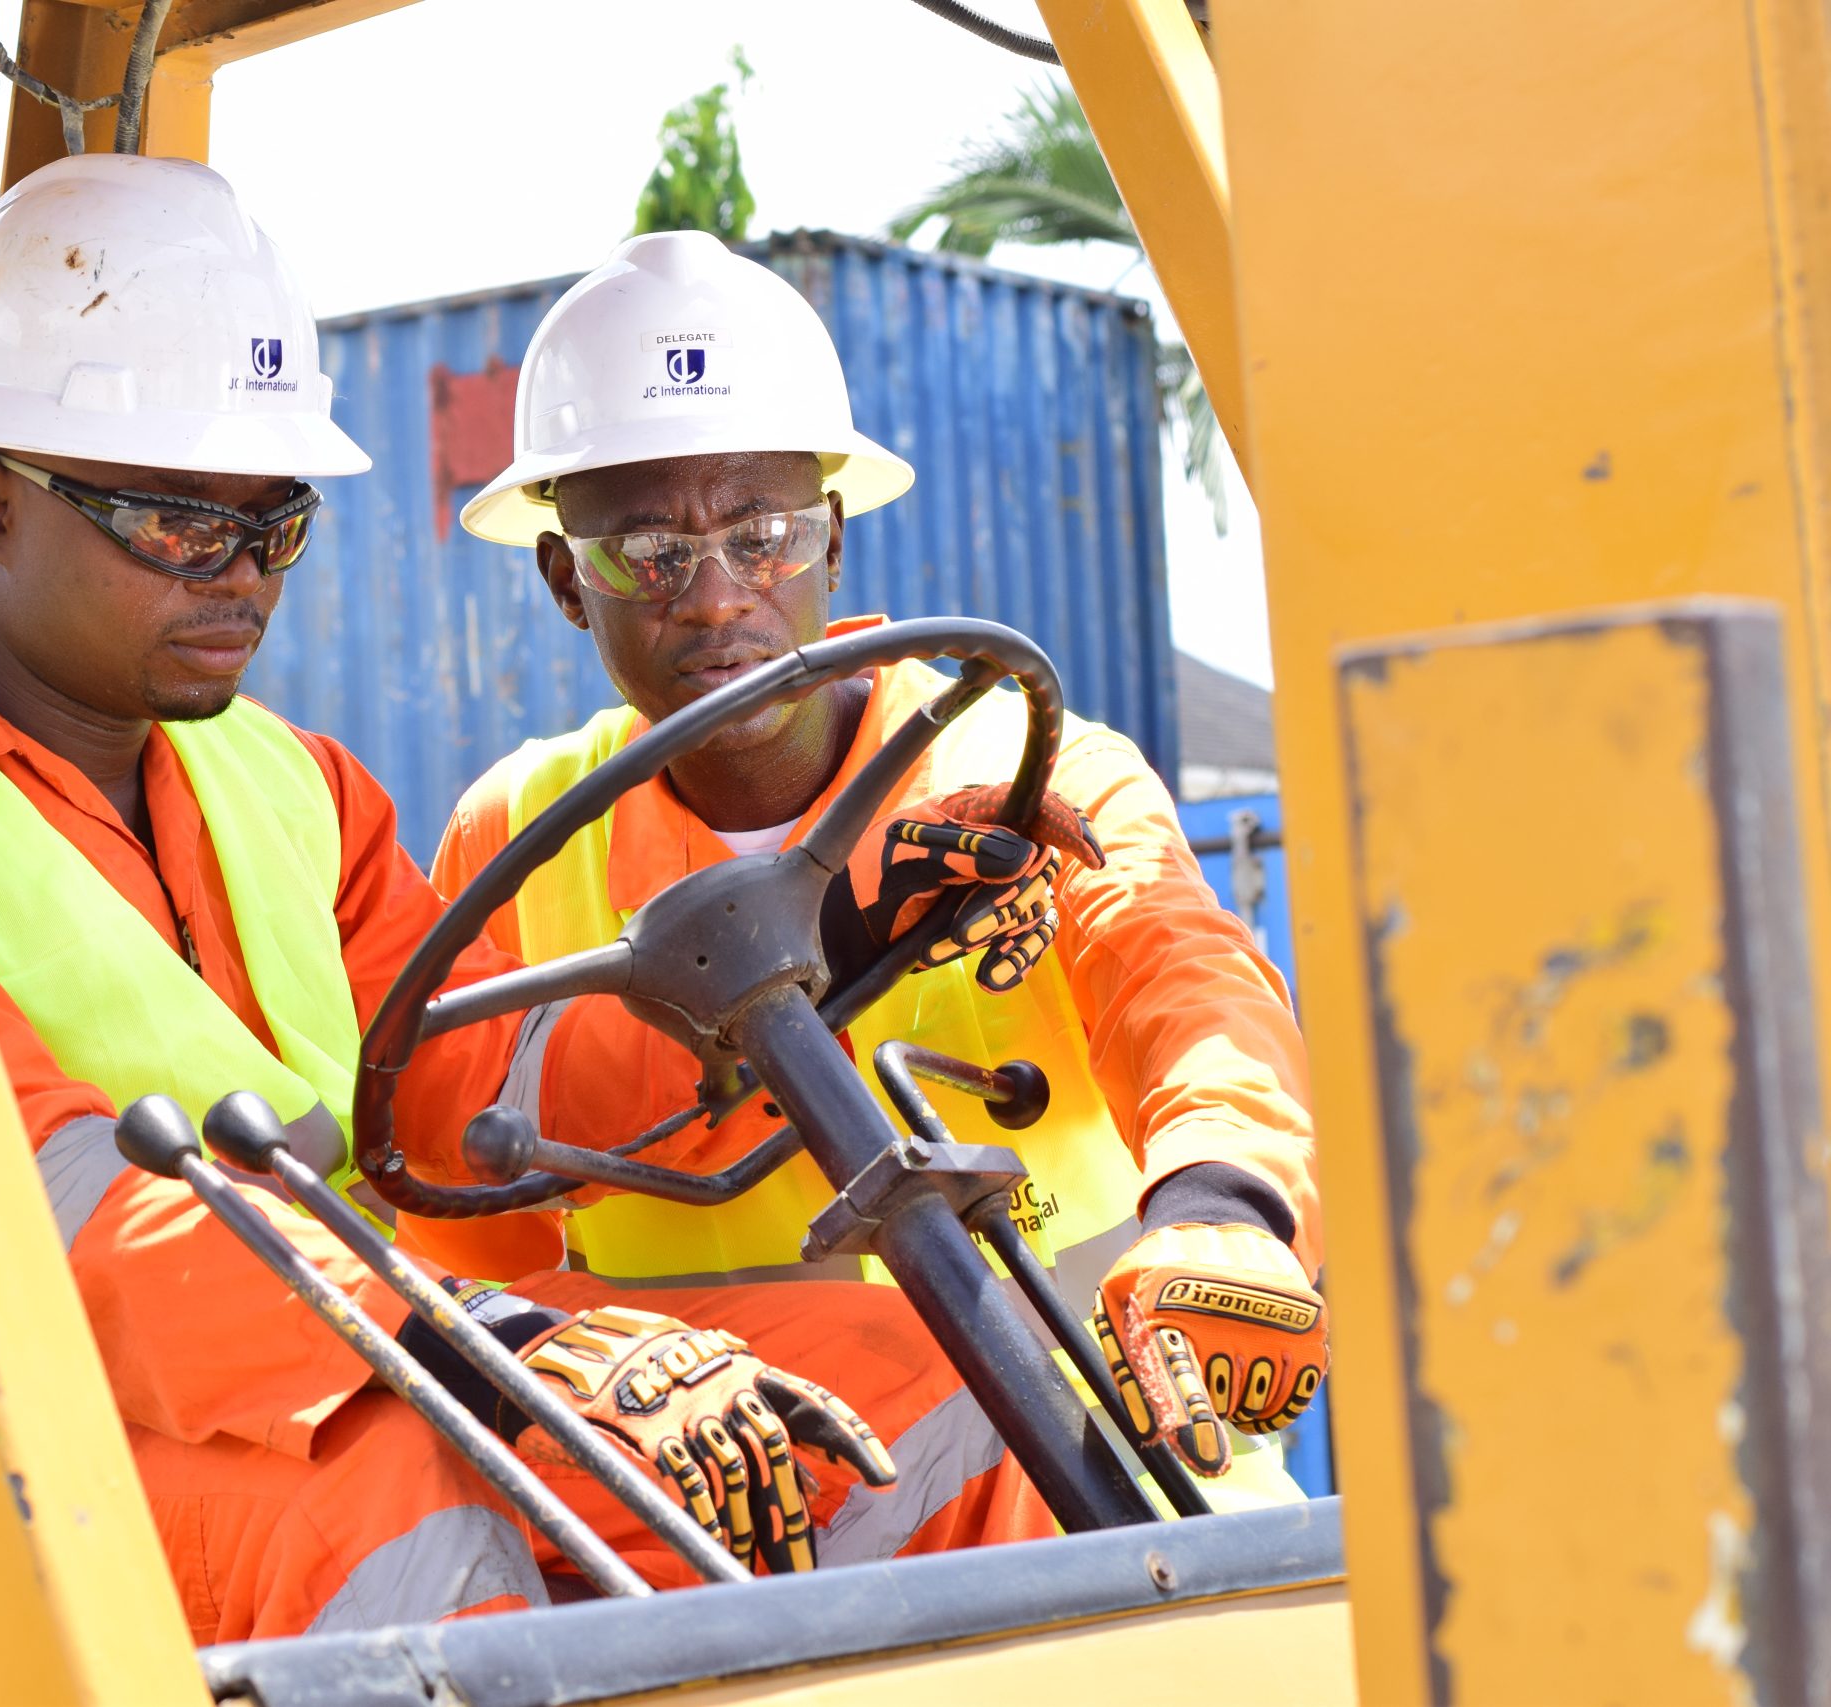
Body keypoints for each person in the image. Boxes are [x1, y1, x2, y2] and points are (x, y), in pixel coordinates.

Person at [0, 159, 1056, 1666]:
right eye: (180, 526)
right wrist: (478, 1344)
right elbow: (33, 1221)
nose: (243, 580)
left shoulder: (293, 788)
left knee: (923, 1383)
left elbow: (477, 1097)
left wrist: (841, 938)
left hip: (328, 1365)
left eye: (273, 522)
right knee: (401, 1514)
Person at [420, 230, 1327, 1498]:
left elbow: (1187, 986)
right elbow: (465, 1216)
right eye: (650, 552)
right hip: (739, 1547)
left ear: (833, 538)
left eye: (764, 531)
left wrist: (1223, 1205)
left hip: (1114, 1501)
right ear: (567, 580)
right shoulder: (515, 840)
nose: (718, 596)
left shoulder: (1030, 766)